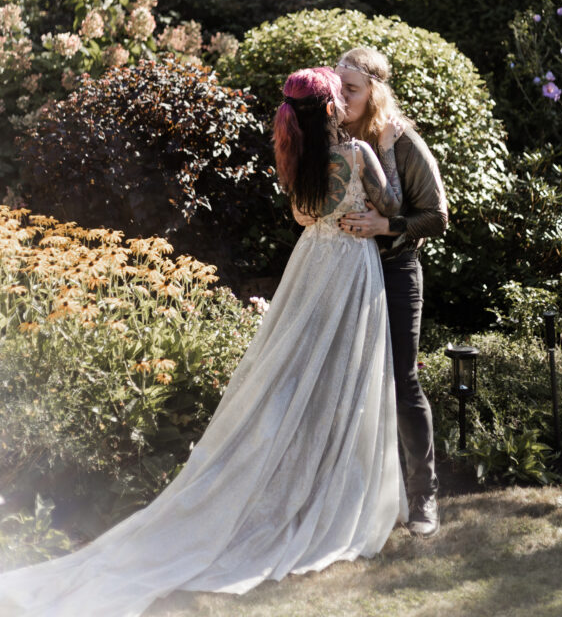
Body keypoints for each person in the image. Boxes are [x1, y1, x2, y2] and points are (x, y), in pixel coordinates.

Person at [0, 68, 408, 617]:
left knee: (298, 374)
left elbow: (306, 217)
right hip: (353, 269)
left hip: (311, 269)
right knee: (345, 376)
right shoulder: (358, 154)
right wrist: (385, 151)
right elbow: (392, 205)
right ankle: (334, 493)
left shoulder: (295, 163)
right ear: (332, 109)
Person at [295, 48, 448, 538]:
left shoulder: (403, 142)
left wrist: (387, 224)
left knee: (403, 383)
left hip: (396, 271)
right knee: (342, 382)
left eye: (352, 89)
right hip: (343, 276)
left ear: (375, 92)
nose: (342, 97)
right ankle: (349, 497)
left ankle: (423, 499)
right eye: (337, 88)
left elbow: (438, 217)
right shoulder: (335, 138)